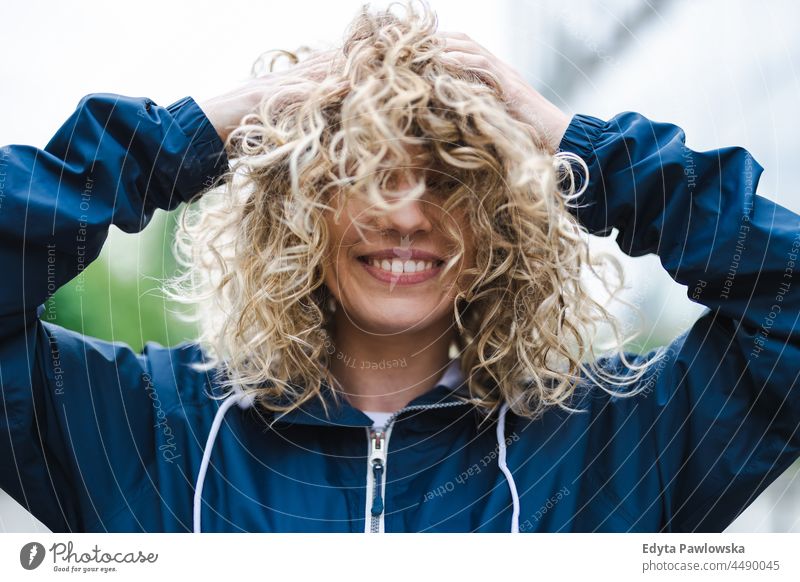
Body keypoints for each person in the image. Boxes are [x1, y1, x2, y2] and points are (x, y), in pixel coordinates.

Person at [1, 2, 798, 533]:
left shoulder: (614, 444)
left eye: (451, 178)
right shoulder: (146, 429)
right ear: (296, 211)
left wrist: (576, 142)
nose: (407, 213)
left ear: (503, 222)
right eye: (361, 174)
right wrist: (195, 132)